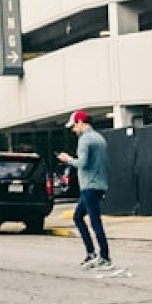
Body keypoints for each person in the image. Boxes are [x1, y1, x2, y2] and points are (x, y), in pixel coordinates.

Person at [56, 109, 112, 271]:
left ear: (80, 123)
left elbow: (82, 163)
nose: (73, 130)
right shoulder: (100, 139)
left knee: (94, 221)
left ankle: (104, 256)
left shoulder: (85, 140)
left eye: (74, 126)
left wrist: (68, 159)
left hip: (89, 185)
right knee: (78, 217)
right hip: (99, 184)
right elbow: (105, 163)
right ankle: (93, 253)